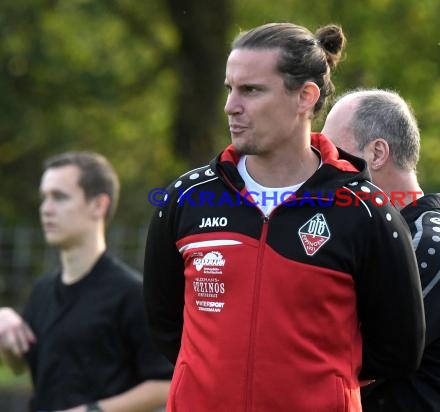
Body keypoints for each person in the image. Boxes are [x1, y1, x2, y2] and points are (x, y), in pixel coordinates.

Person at [143, 23, 425, 412]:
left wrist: (319, 385)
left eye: (252, 90)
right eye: (230, 89)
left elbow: (397, 348)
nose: (231, 106)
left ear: (305, 97)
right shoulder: (186, 199)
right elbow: (165, 325)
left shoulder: (366, 211)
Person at [322, 89, 440, 412]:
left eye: (335, 156)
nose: (325, 170)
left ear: (377, 153)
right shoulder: (364, 235)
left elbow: (348, 350)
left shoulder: (437, 243)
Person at [0, 151, 172, 412]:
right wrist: (7, 331)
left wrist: (92, 411)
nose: (45, 209)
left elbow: (166, 384)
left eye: (59, 197)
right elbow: (20, 366)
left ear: (98, 205)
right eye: (44, 197)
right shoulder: (43, 290)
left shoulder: (132, 293)